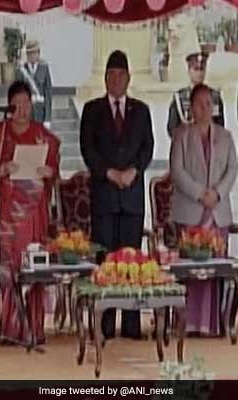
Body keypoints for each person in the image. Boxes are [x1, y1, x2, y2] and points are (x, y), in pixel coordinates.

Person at [0, 80, 60, 344]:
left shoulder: (43, 135)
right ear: (9, 107)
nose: (22, 111)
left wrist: (50, 172)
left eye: (26, 105)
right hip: (8, 215)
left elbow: (54, 165)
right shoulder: (0, 134)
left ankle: (34, 327)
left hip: (34, 214)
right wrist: (0, 170)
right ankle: (11, 327)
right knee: (10, 269)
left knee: (34, 268)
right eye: (17, 106)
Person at [80, 50, 154, 339]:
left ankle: (133, 323)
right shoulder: (92, 110)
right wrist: (110, 173)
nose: (116, 79)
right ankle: (106, 324)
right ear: (105, 78)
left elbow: (147, 147)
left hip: (132, 197)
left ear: (129, 78)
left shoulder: (141, 110)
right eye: (111, 74)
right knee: (107, 262)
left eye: (121, 74)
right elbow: (88, 149)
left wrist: (134, 170)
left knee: (132, 260)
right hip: (105, 197)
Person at [170, 84, 238, 336]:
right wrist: (201, 193)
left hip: (218, 212)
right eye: (200, 104)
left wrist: (217, 193)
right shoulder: (182, 136)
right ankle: (188, 323)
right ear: (191, 108)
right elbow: (177, 171)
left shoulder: (226, 136)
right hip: (190, 211)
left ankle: (214, 324)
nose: (205, 109)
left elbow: (232, 169)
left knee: (215, 268)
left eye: (209, 104)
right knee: (191, 269)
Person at [167, 51, 225, 138]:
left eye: (202, 69)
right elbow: (172, 127)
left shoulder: (214, 96)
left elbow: (220, 124)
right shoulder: (180, 97)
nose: (199, 74)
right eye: (196, 69)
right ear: (189, 70)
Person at [16, 40, 53, 128]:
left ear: (38, 53)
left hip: (40, 113)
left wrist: (47, 118)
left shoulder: (44, 68)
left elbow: (48, 94)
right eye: (29, 53)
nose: (32, 56)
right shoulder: (21, 70)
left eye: (34, 53)